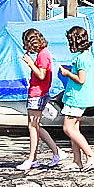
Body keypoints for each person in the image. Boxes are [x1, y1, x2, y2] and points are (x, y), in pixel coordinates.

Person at [55, 25, 94, 172]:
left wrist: (67, 73)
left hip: (77, 98)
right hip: (78, 97)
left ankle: (91, 155)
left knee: (68, 128)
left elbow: (81, 80)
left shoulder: (81, 59)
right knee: (75, 129)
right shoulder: (87, 56)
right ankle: (77, 161)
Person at [18, 28, 63, 172]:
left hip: (37, 93)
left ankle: (32, 158)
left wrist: (30, 63)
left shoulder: (42, 55)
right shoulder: (44, 53)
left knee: (33, 126)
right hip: (38, 92)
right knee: (36, 125)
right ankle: (56, 152)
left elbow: (42, 75)